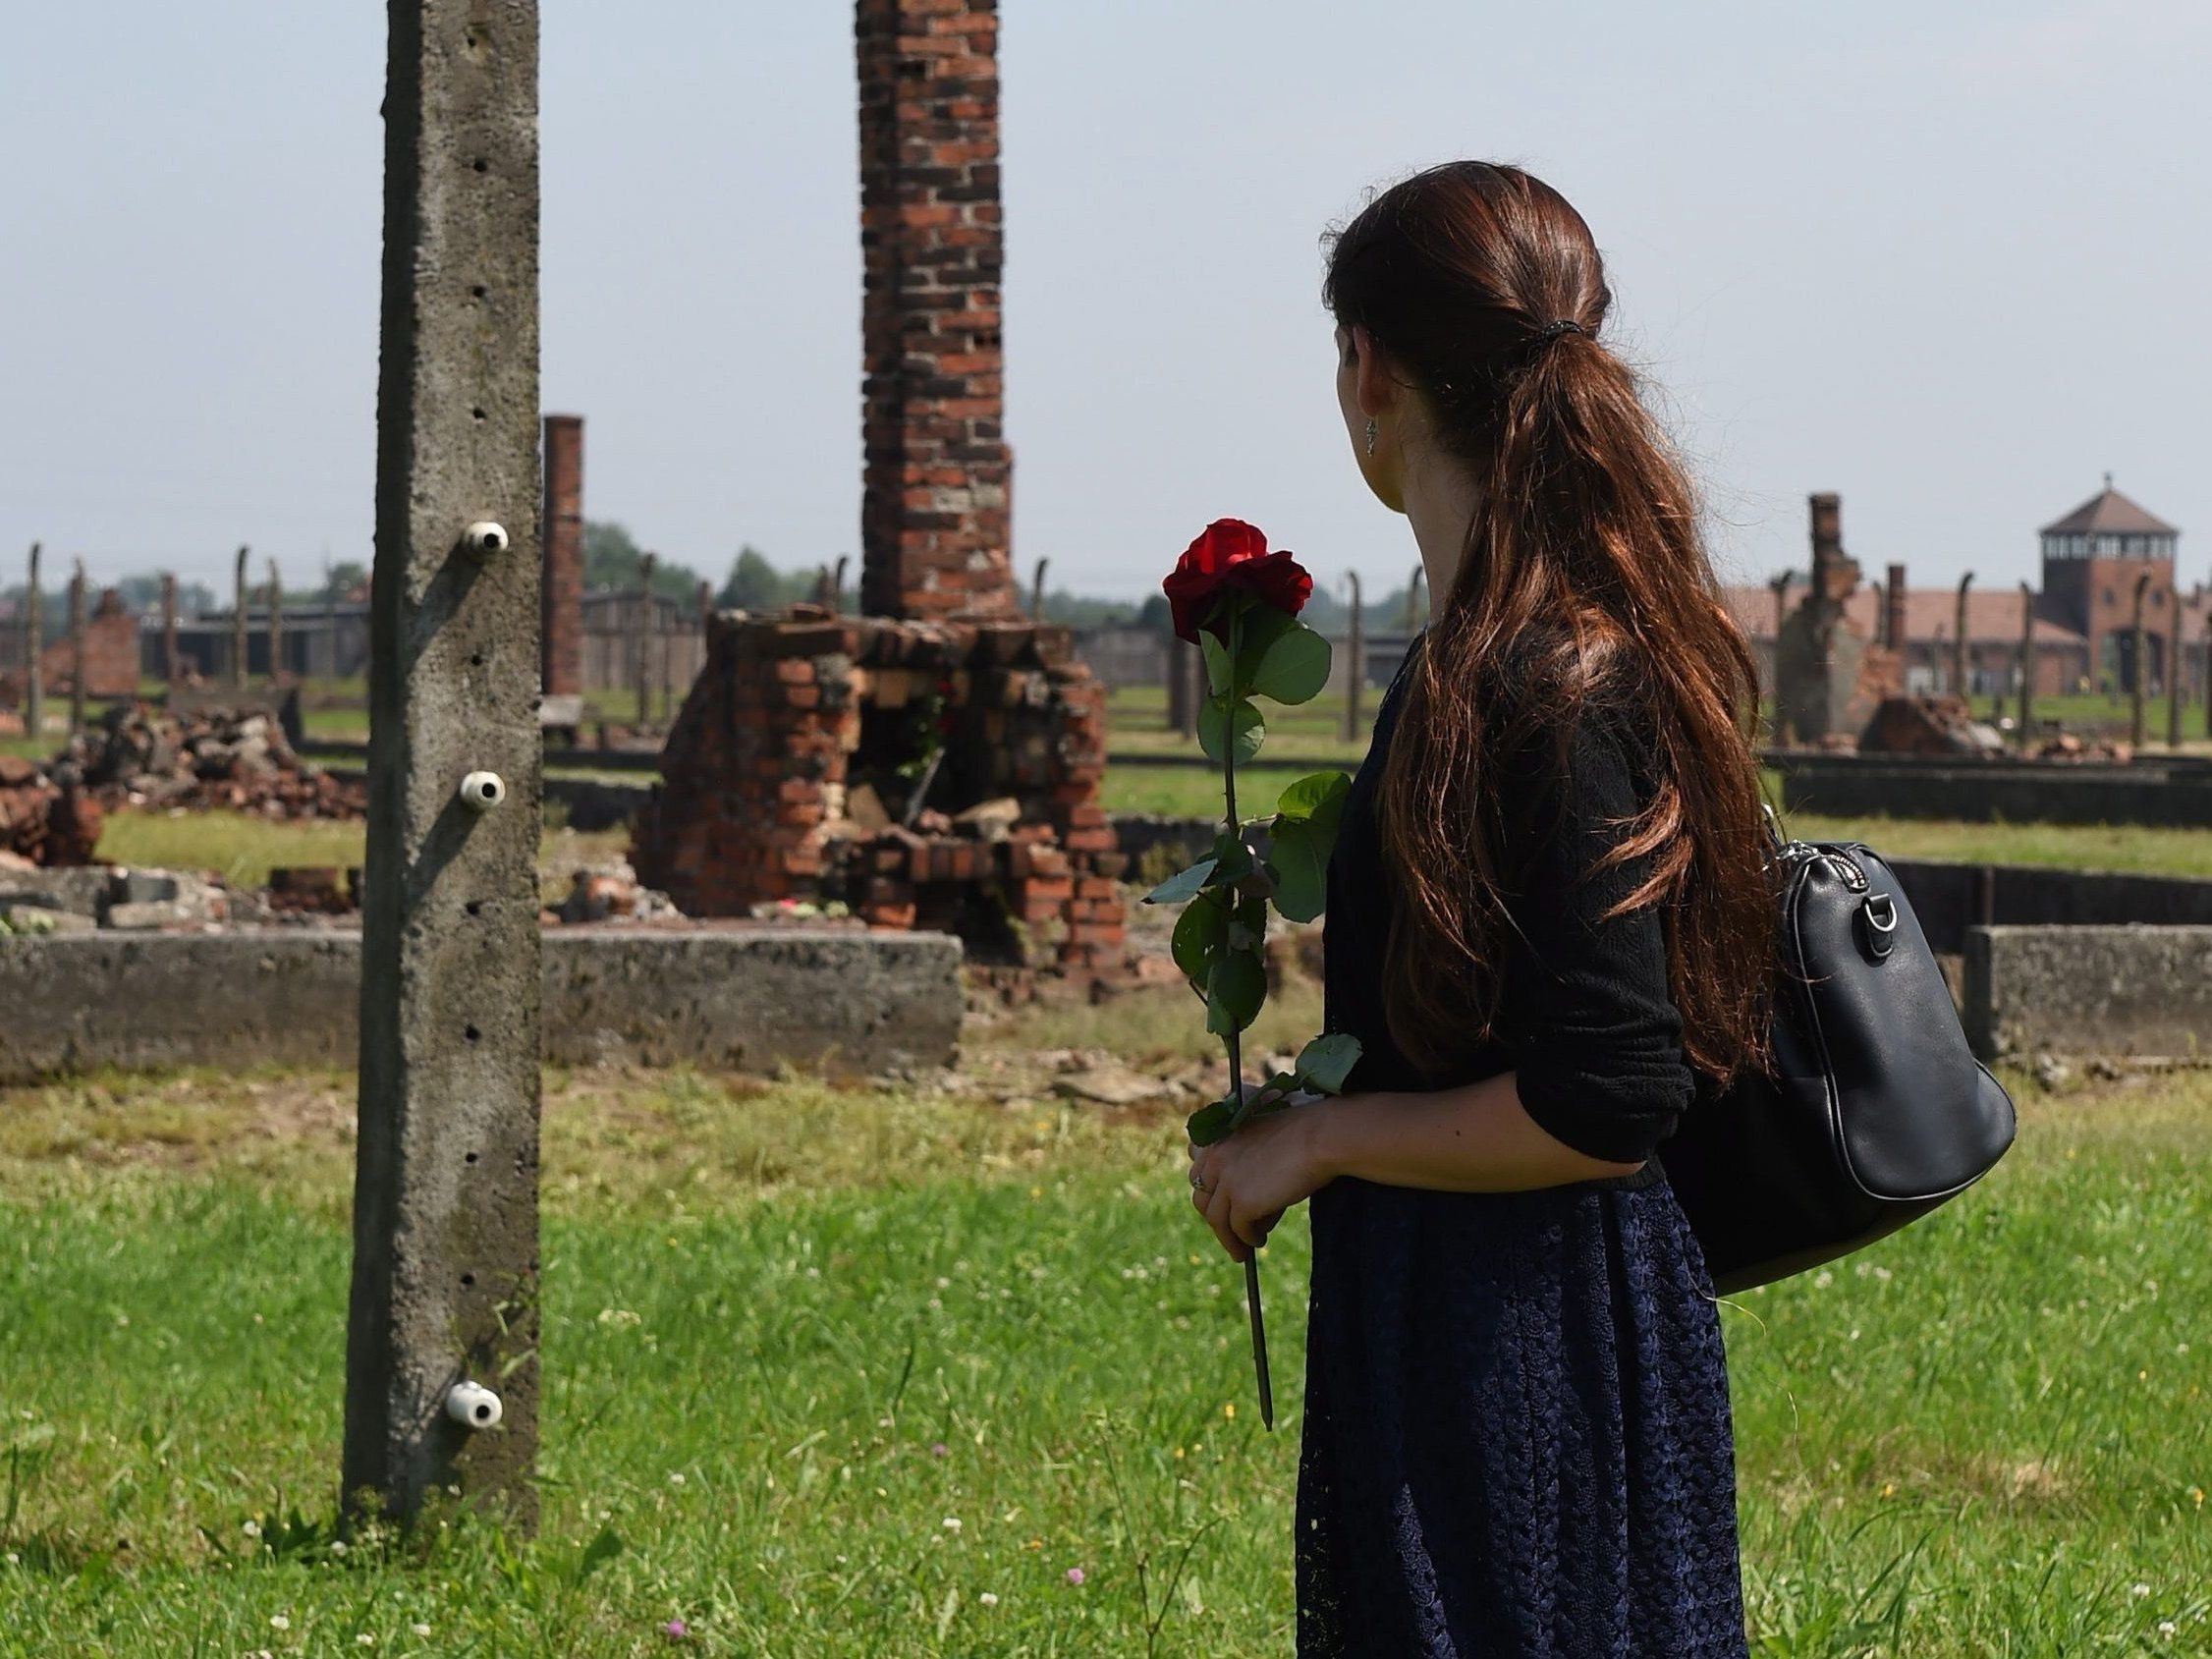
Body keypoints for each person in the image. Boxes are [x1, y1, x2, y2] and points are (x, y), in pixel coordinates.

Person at [1185, 161, 1779, 1657]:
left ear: (1370, 370)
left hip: (1531, 1339)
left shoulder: (1551, 680)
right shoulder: (1485, 656)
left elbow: (1610, 1090)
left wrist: (1318, 1136)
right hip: (1457, 1310)